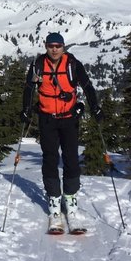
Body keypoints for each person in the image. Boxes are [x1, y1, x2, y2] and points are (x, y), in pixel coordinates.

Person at [21, 32, 103, 234]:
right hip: (47, 119)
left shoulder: (73, 64)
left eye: (58, 46)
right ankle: (55, 207)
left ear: (64, 46)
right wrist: (25, 110)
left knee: (71, 160)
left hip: (69, 119)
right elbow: (29, 89)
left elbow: (87, 86)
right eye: (51, 46)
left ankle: (71, 204)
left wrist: (96, 107)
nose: (54, 49)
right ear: (45, 46)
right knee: (50, 159)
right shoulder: (37, 65)